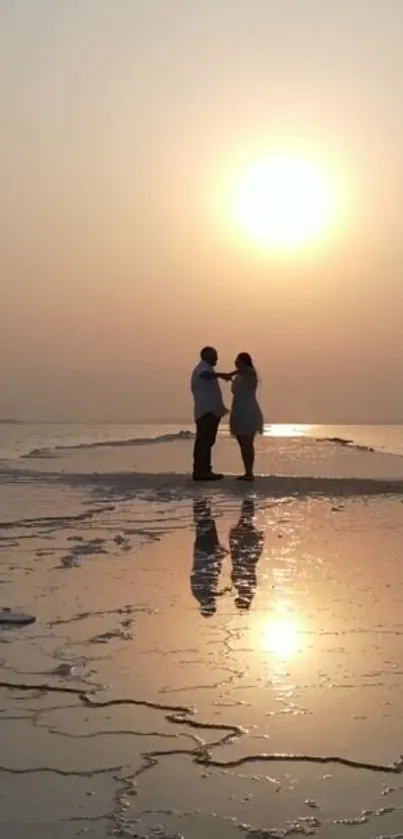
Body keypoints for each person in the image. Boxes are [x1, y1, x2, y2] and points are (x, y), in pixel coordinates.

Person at [191, 346, 232, 481]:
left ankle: (205, 469)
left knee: (207, 441)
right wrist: (221, 375)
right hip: (206, 412)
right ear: (206, 356)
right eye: (214, 356)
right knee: (204, 441)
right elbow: (205, 375)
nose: (216, 358)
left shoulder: (207, 369)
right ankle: (200, 471)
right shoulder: (202, 369)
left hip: (210, 411)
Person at [229, 352, 264, 481]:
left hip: (249, 412)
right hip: (238, 411)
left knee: (248, 443)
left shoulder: (250, 373)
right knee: (242, 444)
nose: (236, 363)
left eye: (239, 361)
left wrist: (230, 374)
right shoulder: (238, 377)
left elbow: (245, 370)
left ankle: (250, 472)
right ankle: (247, 471)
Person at [229, 498, 264, 610]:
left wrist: (259, 545)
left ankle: (248, 500)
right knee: (245, 520)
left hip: (248, 551)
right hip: (243, 549)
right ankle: (248, 499)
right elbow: (236, 563)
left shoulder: (249, 587)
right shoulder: (239, 584)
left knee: (246, 521)